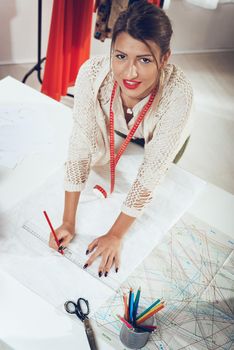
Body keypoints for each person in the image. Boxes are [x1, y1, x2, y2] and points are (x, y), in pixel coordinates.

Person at [49, 1, 193, 277]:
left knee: (165, 181)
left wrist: (115, 235)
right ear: (111, 51)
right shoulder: (92, 74)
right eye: (121, 56)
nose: (130, 73)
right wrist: (68, 222)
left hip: (160, 132)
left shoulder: (178, 96)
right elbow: (79, 146)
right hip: (119, 127)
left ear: (164, 59)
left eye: (145, 59)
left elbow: (151, 173)